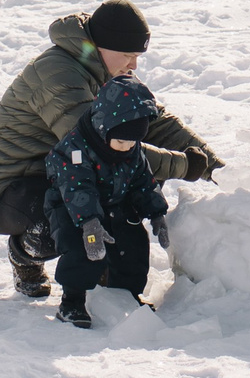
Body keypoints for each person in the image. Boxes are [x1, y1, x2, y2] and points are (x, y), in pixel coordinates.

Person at [0, 0, 220, 298]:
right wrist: (184, 166)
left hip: (64, 170)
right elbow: (104, 146)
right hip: (9, 188)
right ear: (102, 46)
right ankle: (24, 252)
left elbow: (154, 122)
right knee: (71, 214)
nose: (134, 64)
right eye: (128, 55)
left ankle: (108, 278)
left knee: (119, 187)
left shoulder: (109, 70)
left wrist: (210, 162)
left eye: (138, 55)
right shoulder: (58, 75)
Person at [44, 76, 171, 328]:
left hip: (114, 203)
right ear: (104, 128)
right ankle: (72, 301)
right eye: (121, 141)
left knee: (133, 244)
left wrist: (156, 212)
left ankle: (126, 296)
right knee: (83, 248)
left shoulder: (131, 149)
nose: (127, 147)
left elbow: (143, 181)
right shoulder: (75, 150)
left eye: (133, 141)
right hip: (72, 209)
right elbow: (77, 187)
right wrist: (89, 222)